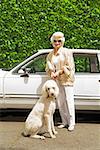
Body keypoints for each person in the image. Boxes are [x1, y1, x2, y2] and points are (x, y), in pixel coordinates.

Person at [45, 31, 75, 131]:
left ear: (62, 41)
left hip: (67, 80)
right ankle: (64, 121)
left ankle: (72, 123)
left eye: (59, 41)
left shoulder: (67, 52)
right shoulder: (50, 54)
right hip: (56, 81)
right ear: (52, 42)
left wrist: (59, 72)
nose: (57, 43)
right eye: (55, 41)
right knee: (60, 101)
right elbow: (48, 66)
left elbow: (70, 66)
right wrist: (52, 73)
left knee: (69, 101)